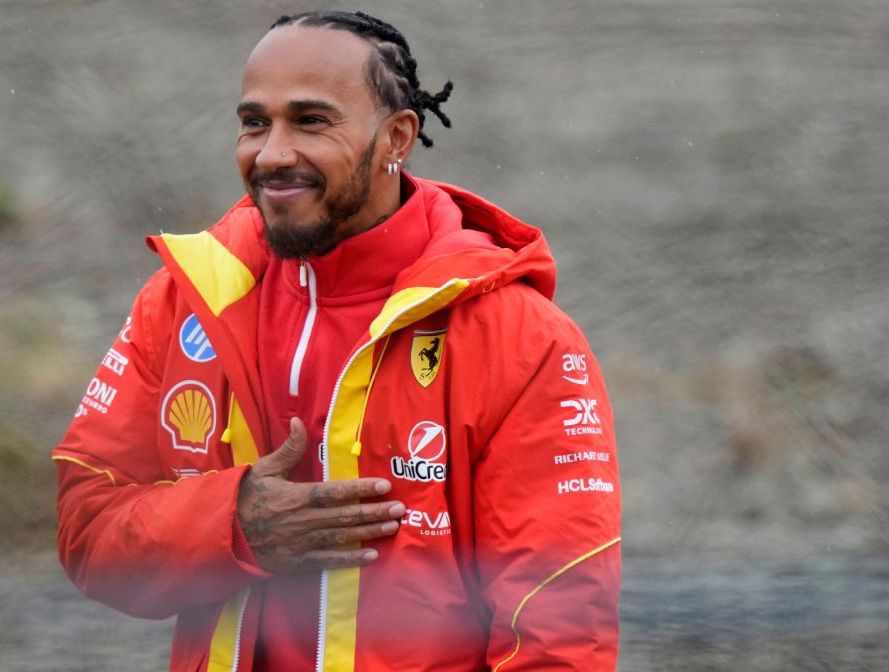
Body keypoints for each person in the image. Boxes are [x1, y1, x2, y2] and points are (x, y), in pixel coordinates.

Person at [53, 9, 620, 671]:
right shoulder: (182, 303)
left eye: (311, 121)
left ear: (396, 138)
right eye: (254, 122)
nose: (271, 154)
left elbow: (558, 638)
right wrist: (233, 525)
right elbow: (88, 532)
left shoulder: (522, 340)